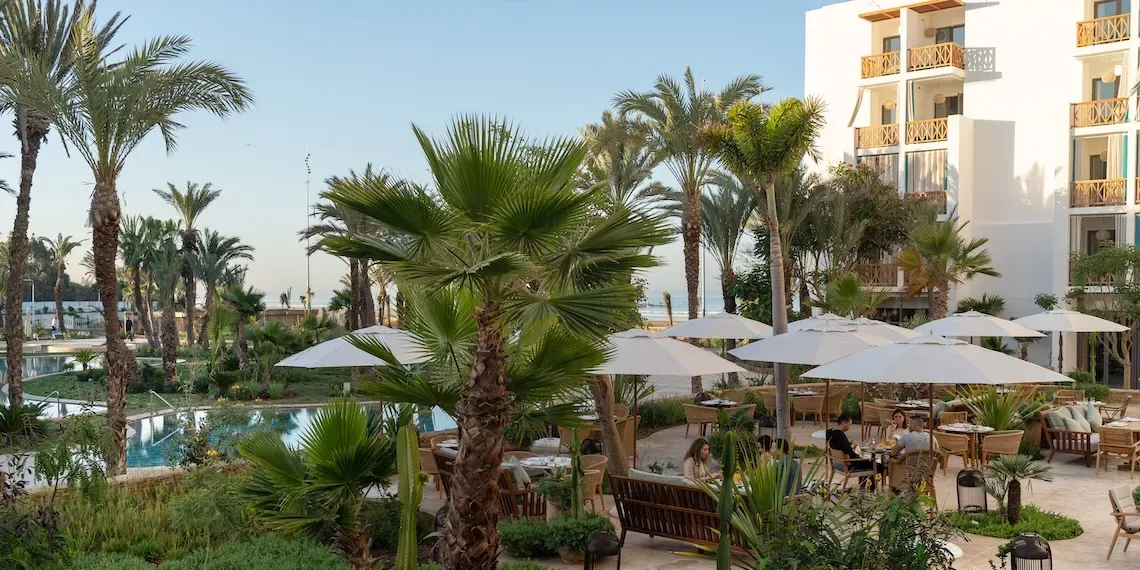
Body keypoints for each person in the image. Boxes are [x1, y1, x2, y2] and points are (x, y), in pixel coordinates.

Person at [826, 414, 885, 487]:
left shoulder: (831, 432)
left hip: (838, 463)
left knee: (865, 461)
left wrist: (850, 443)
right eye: (849, 424)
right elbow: (847, 450)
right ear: (843, 423)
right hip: (849, 464)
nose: (850, 427)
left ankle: (863, 485)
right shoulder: (840, 434)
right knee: (879, 466)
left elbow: (840, 446)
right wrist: (853, 445)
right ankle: (871, 487)